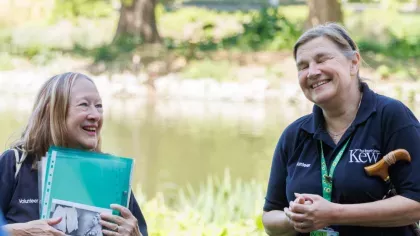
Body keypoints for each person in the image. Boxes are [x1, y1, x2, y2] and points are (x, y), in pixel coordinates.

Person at [262, 23, 420, 236]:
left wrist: (334, 213)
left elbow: (416, 204)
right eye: (303, 66)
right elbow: (270, 217)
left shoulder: (392, 116)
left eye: (322, 59)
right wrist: (298, 217)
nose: (312, 72)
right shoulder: (294, 134)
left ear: (353, 63)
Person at [0, 72, 148, 236]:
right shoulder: (14, 164)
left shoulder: (113, 176)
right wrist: (18, 231)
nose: (95, 115)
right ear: (53, 111)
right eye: (84, 104)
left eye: (99, 106)